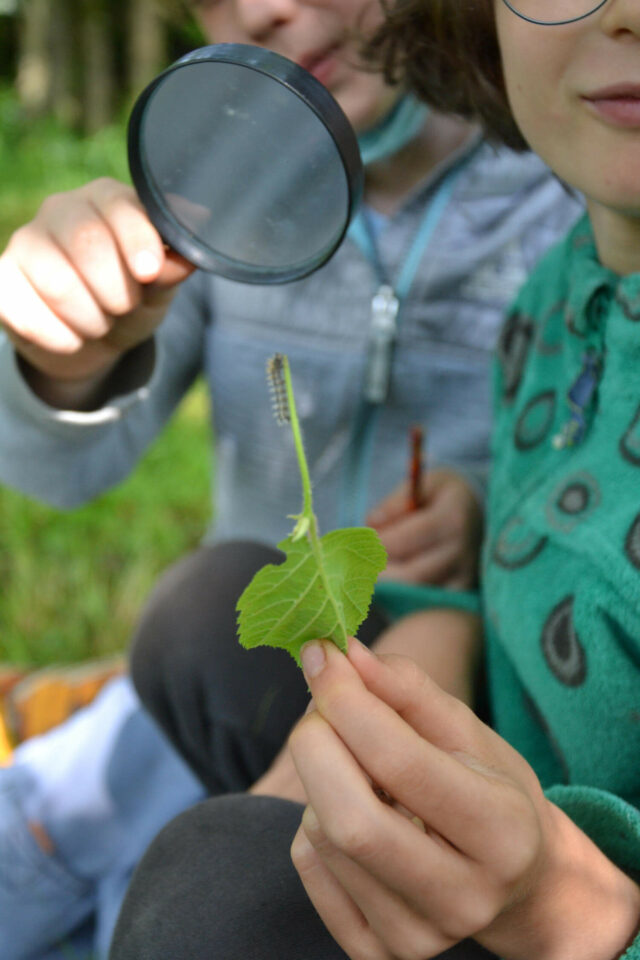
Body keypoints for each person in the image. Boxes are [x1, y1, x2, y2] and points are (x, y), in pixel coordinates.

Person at [0, 0, 581, 957]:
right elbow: (57, 471)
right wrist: (62, 360)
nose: (267, 4)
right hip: (208, 694)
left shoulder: (577, 175)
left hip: (428, 717)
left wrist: (486, 510)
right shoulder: (216, 181)